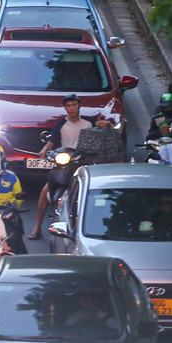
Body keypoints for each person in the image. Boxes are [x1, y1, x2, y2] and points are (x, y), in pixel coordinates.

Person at [30, 94, 103, 238]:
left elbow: (103, 130)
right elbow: (52, 141)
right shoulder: (60, 124)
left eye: (74, 105)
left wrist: (105, 124)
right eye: (68, 106)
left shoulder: (89, 122)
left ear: (79, 106)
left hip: (83, 162)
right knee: (45, 191)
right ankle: (37, 227)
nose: (71, 108)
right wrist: (44, 150)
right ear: (65, 108)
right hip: (64, 163)